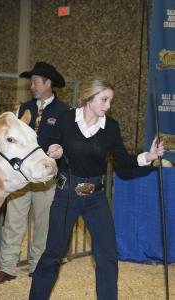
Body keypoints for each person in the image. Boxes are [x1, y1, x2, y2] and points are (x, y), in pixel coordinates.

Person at [29, 78, 164, 300]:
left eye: (110, 101)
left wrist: (148, 156)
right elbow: (51, 141)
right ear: (90, 97)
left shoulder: (110, 127)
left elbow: (123, 160)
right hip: (67, 195)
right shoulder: (66, 119)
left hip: (96, 199)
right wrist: (54, 148)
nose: (108, 106)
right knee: (53, 254)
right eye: (104, 99)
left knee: (108, 256)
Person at [0, 62, 69, 285]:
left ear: (48, 83)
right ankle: (7, 267)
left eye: (35, 81)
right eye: (31, 81)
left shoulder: (64, 112)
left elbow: (67, 142)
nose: (31, 85)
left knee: (43, 223)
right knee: (13, 220)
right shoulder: (23, 109)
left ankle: (36, 266)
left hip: (45, 177)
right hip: (20, 177)